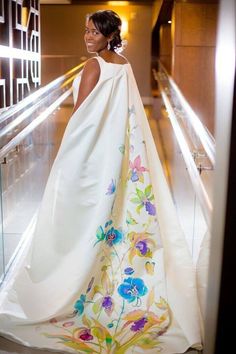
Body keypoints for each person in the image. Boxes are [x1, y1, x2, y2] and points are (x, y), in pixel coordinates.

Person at [0, 10, 202, 354]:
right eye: (86, 30)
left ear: (109, 35)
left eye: (94, 32)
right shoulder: (123, 64)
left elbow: (81, 115)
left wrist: (64, 157)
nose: (87, 36)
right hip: (114, 155)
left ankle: (73, 283)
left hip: (90, 156)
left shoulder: (94, 66)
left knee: (75, 220)